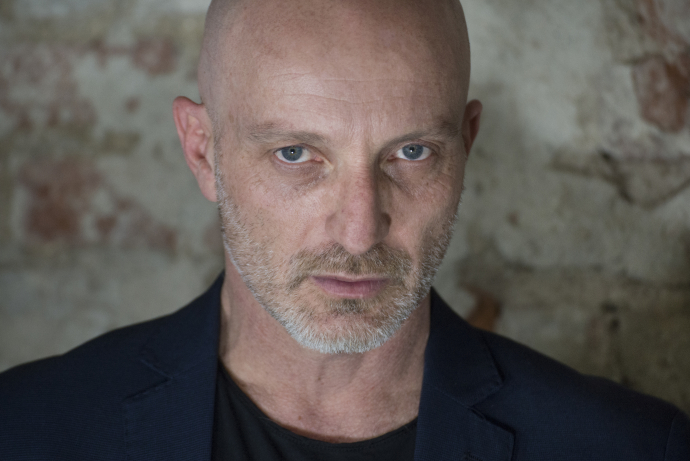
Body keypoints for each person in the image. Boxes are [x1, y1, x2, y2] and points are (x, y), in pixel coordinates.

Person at [0, 0, 688, 459]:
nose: (360, 233)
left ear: (466, 145)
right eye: (295, 153)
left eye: (411, 152)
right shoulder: (26, 428)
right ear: (203, 152)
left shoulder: (632, 448)